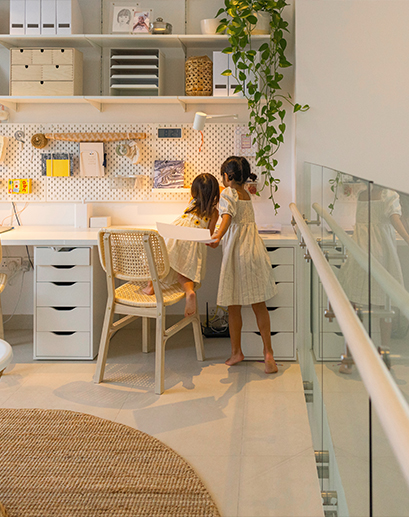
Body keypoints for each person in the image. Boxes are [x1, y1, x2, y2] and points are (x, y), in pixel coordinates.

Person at [208, 156, 279, 374]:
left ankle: (237, 351)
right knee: (259, 306)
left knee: (233, 305)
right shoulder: (246, 194)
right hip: (254, 252)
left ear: (227, 177)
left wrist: (217, 236)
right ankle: (268, 353)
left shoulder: (228, 192)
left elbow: (227, 217)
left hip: (238, 253)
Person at [143, 173, 220, 318]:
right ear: (215, 193)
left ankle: (150, 286)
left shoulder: (191, 202)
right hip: (192, 242)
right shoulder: (214, 213)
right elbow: (208, 234)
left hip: (175, 234)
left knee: (155, 258)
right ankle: (189, 292)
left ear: (194, 192)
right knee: (183, 274)